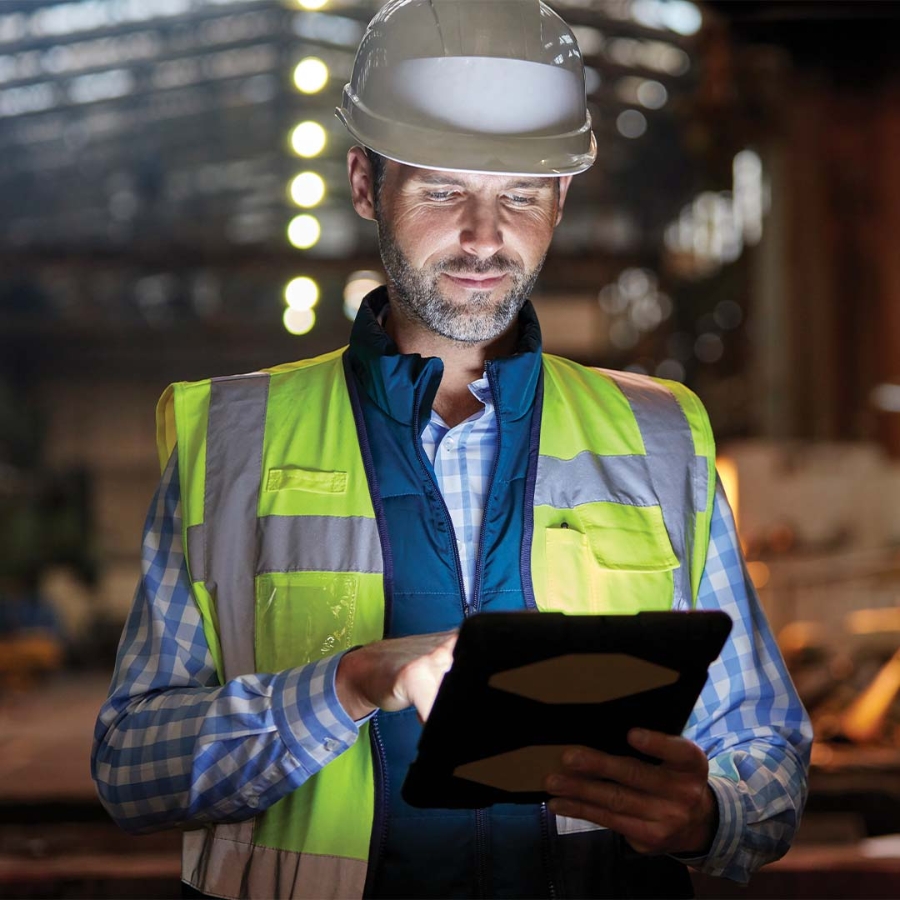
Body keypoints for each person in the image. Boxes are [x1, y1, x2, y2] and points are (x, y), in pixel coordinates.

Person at [92, 1, 812, 898]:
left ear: (563, 198)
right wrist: (347, 685)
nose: (484, 235)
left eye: (520, 193)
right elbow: (131, 767)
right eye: (441, 190)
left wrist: (714, 815)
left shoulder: (659, 435)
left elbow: (766, 742)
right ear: (365, 184)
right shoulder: (230, 441)